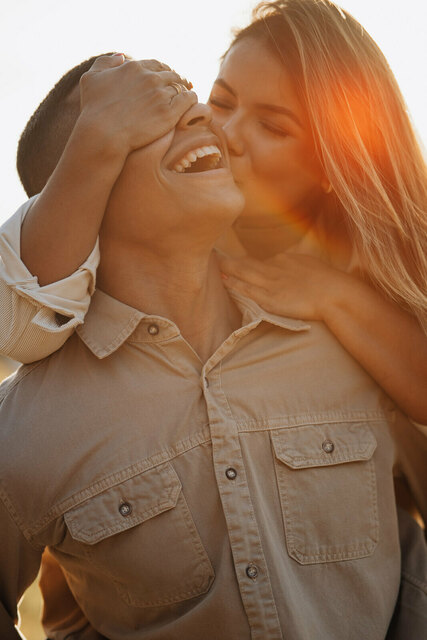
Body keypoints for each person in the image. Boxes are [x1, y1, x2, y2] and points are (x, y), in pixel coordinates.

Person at [0, 55, 420, 640]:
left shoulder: (349, 341)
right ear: (82, 183)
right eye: (153, 115)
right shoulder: (22, 431)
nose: (201, 117)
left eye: (190, 100)